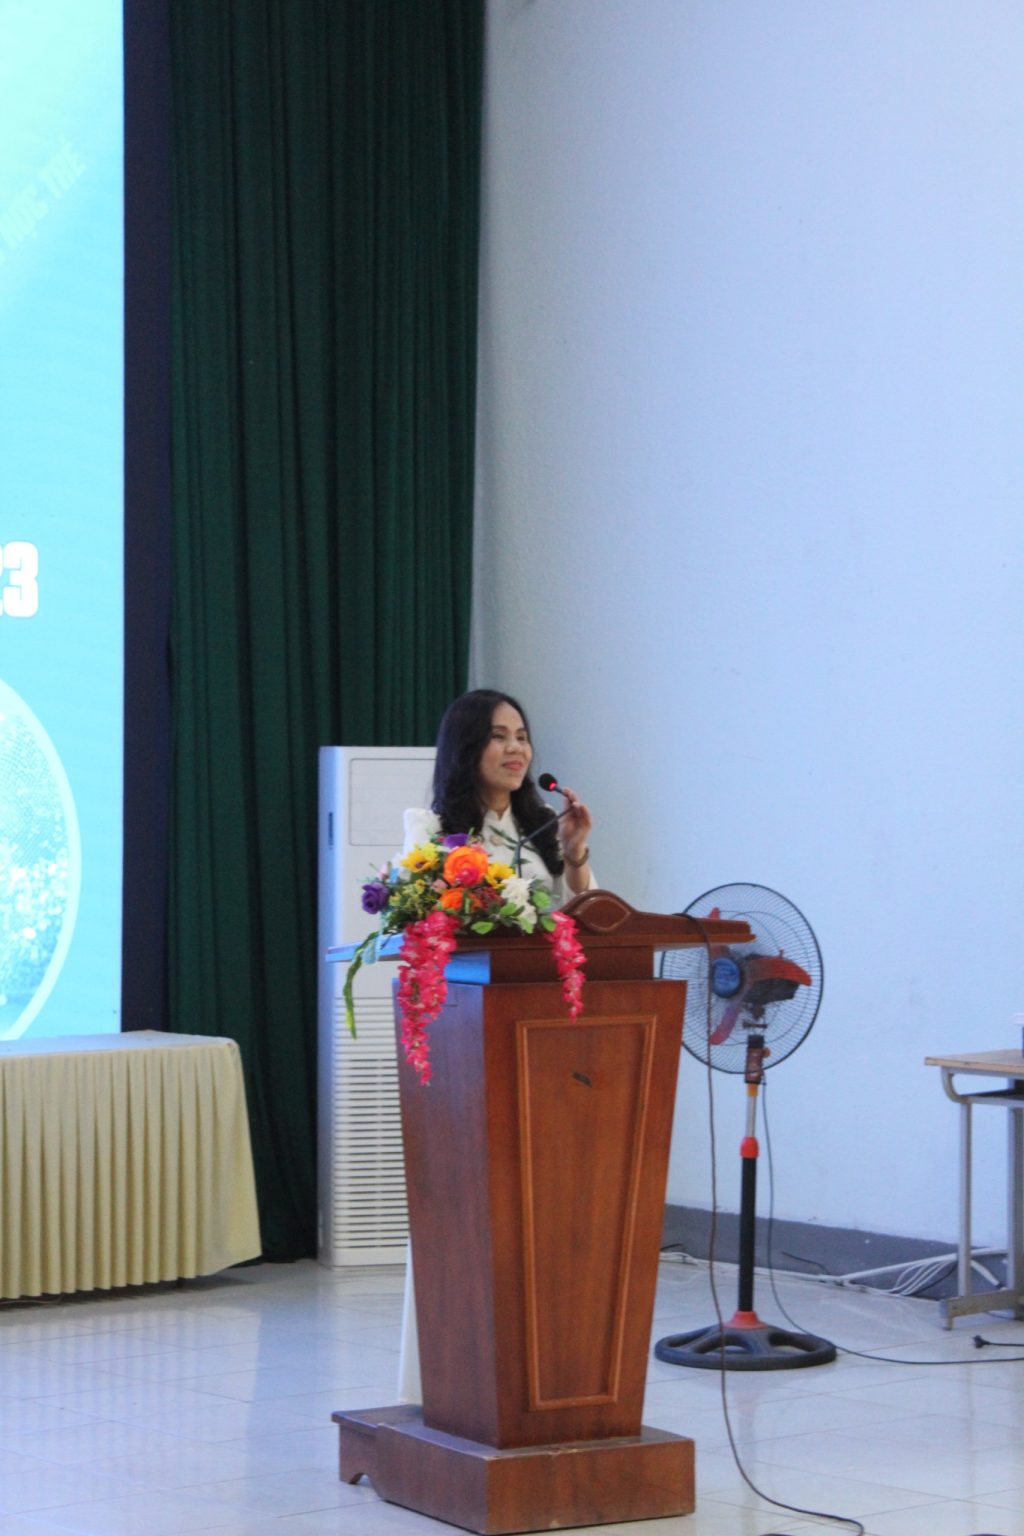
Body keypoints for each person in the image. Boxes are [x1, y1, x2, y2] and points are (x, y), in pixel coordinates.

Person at [397, 688, 597, 1402]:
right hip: (468, 1047)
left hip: (543, 1045)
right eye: (498, 736)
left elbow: (584, 926)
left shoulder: (541, 830)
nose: (516, 749)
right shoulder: (434, 832)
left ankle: (537, 1382)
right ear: (467, 747)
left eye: (522, 735)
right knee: (471, 1214)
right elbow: (421, 928)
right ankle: (454, 1384)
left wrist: (575, 856)